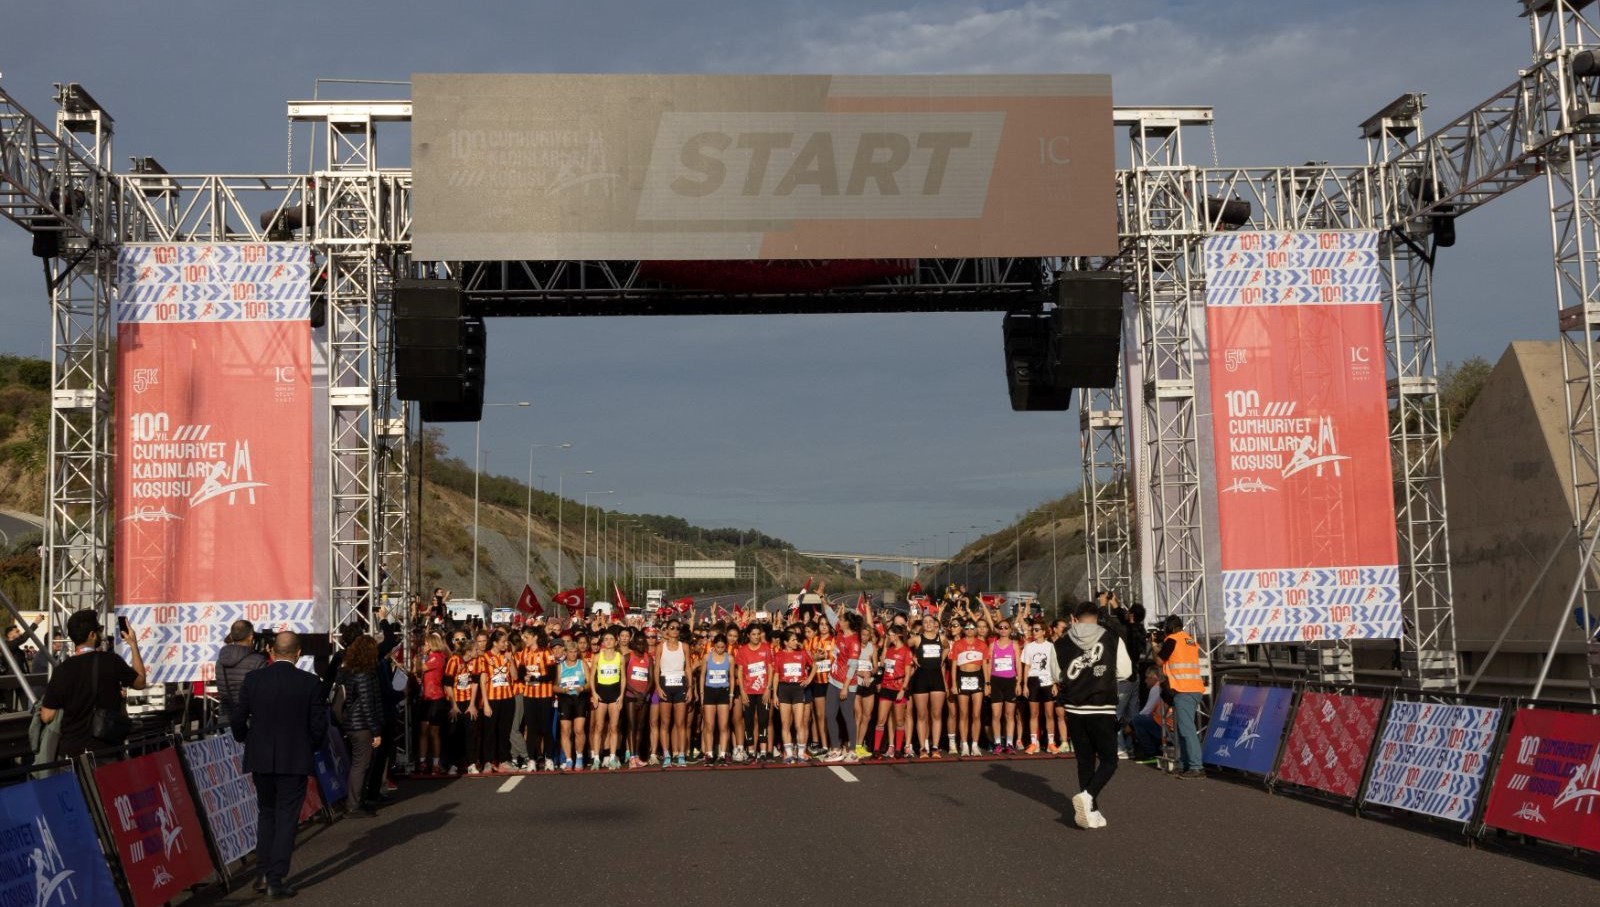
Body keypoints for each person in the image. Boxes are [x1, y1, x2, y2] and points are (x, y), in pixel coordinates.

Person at [231, 632, 327, 899]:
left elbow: (238, 717)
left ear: (271, 651)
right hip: (295, 758)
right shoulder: (310, 683)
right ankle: (275, 877)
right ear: (298, 654)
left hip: (261, 757)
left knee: (267, 814)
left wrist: (243, 738)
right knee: (286, 818)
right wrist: (311, 747)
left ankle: (262, 873)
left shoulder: (254, 679)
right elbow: (319, 725)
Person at [1060, 601, 1133, 829]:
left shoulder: (1062, 642)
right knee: (1109, 760)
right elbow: (1125, 671)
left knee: (1085, 760)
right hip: (1102, 707)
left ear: (1075, 617)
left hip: (1074, 708)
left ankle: (1091, 811)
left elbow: (1056, 673)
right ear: (1097, 617)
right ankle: (1089, 796)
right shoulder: (1112, 638)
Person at [39, 610, 147, 757]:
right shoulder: (111, 661)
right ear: (92, 635)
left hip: (73, 753)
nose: (101, 634)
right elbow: (140, 682)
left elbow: (47, 716)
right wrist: (133, 644)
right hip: (108, 748)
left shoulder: (62, 670)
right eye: (99, 630)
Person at [334, 635, 385, 818]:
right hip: (361, 725)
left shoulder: (350, 670)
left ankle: (357, 802)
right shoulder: (364, 673)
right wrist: (376, 731)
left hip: (354, 723)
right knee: (361, 765)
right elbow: (367, 705)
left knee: (360, 764)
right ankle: (354, 805)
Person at [1157, 614, 1206, 779]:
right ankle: (1185, 764)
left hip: (1183, 689)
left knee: (1187, 730)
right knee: (1183, 729)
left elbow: (1159, 660)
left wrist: (1154, 644)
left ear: (1169, 628)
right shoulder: (1189, 639)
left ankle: (1196, 767)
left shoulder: (1171, 640)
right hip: (1193, 688)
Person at [1018, 621, 1059, 754]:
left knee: (1049, 714)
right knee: (1034, 714)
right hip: (1033, 680)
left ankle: (1051, 743)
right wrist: (1024, 685)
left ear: (1043, 631)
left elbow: (1054, 666)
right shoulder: (1028, 647)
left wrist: (1054, 683)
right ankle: (1033, 743)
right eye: (1033, 630)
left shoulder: (1050, 646)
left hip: (1048, 679)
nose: (1034, 632)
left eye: (1036, 630)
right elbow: (1026, 667)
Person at [773, 629, 812, 763]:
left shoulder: (802, 654)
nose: (796, 642)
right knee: (785, 723)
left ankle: (801, 753)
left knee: (799, 724)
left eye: (796, 639)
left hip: (797, 689)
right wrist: (775, 694)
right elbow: (776, 675)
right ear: (785, 642)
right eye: (793, 640)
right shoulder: (778, 655)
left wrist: (808, 680)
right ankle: (788, 753)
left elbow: (814, 666)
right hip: (783, 689)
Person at [949, 620, 988, 756]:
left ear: (976, 630)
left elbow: (985, 665)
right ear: (963, 630)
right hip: (962, 677)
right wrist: (953, 684)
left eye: (972, 628)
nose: (970, 630)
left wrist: (987, 683)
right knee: (963, 714)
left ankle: (975, 744)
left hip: (977, 677)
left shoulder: (982, 644)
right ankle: (964, 744)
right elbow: (954, 665)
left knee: (976, 714)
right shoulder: (958, 644)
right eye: (967, 628)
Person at [417, 633, 449, 774]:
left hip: (436, 698)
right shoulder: (429, 657)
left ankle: (436, 762)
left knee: (434, 732)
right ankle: (422, 761)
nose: (424, 646)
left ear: (431, 644)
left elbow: (419, 668)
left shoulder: (437, 657)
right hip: (426, 698)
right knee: (423, 731)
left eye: (425, 644)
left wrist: (417, 659)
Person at [700, 633, 734, 765]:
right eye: (718, 647)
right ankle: (708, 753)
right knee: (709, 725)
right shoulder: (707, 657)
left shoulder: (729, 658)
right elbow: (703, 675)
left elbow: (731, 677)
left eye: (722, 647)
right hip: (709, 691)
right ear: (714, 646)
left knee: (724, 725)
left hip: (723, 692)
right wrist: (702, 693)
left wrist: (731, 695)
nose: (720, 650)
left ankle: (722, 754)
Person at [987, 621, 1020, 754]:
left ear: (1010, 629)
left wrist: (1019, 683)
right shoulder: (992, 645)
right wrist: (988, 684)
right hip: (996, 681)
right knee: (996, 714)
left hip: (1010, 681)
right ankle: (997, 743)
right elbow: (989, 665)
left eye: (1006, 627)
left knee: (1009, 715)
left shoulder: (1014, 645)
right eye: (1001, 628)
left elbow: (1018, 664)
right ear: (997, 630)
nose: (1003, 630)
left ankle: (1010, 744)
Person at [1129, 666, 1166, 761]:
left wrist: (1130, 725)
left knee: (1137, 720)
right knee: (1142, 720)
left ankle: (1151, 753)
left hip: (1165, 728)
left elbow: (1147, 710)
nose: (1145, 681)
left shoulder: (1156, 688)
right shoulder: (1163, 686)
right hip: (1168, 726)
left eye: (1147, 678)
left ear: (1154, 677)